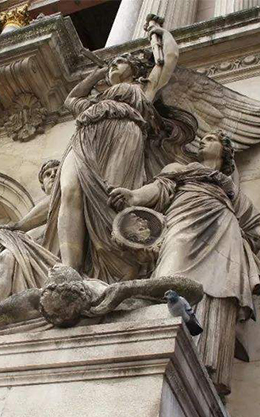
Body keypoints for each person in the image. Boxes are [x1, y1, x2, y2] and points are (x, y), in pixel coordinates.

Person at [108, 133, 260, 395]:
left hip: (224, 235)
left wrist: (241, 242)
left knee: (217, 292)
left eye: (211, 138)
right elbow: (159, 189)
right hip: (183, 224)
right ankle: (155, 350)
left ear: (225, 151)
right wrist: (133, 197)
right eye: (203, 139)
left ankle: (206, 367)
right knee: (169, 280)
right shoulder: (179, 169)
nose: (203, 141)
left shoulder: (231, 191)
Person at [43, 15, 181, 283]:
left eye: (120, 61)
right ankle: (69, 269)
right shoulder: (96, 100)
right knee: (70, 190)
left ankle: (115, 264)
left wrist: (158, 31)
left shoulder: (143, 88)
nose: (114, 64)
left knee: (112, 195)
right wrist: (97, 73)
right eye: (113, 63)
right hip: (84, 138)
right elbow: (72, 99)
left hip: (123, 135)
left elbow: (170, 57)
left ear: (134, 69)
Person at [0, 160, 60, 310]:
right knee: (1, 261)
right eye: (47, 174)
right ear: (43, 185)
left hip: (51, 255)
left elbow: (50, 203)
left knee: (5, 259)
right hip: (32, 254)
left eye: (57, 171)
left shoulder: (66, 193)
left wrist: (17, 226)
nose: (53, 175)